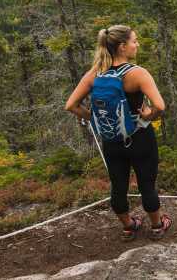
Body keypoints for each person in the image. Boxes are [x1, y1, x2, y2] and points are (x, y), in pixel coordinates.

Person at [66, 25, 171, 240]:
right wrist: (148, 116)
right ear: (122, 47)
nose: (137, 44)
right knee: (146, 184)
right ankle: (157, 226)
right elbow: (160, 106)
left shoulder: (95, 74)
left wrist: (93, 118)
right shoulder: (137, 73)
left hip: (111, 139)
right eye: (134, 41)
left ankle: (129, 226)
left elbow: (71, 105)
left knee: (118, 185)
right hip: (140, 137)